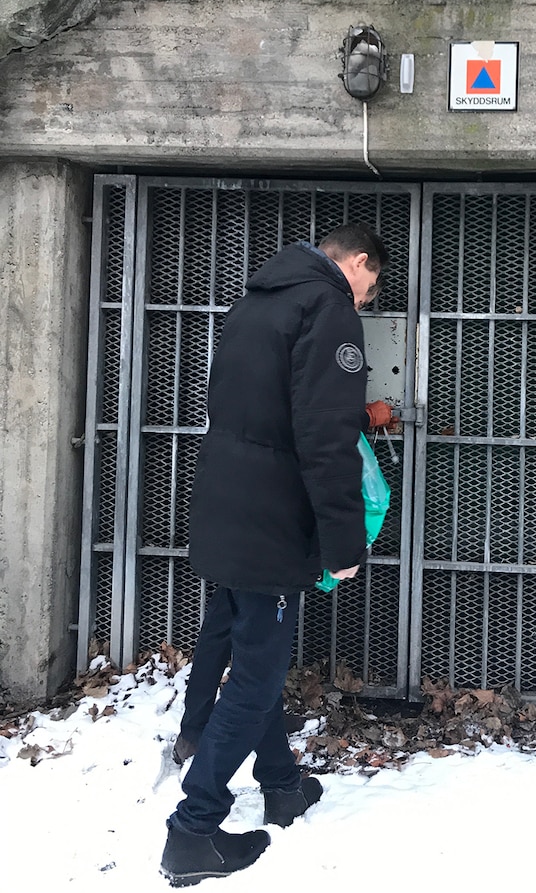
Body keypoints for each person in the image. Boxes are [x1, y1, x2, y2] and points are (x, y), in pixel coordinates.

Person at [159, 223, 389, 887]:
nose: (367, 301)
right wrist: (344, 541)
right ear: (359, 262)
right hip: (270, 519)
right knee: (259, 673)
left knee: (250, 644)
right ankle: (192, 829)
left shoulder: (254, 300)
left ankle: (282, 784)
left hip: (228, 505)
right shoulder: (329, 308)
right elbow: (326, 436)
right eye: (371, 288)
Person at [171, 400, 394, 766]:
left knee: (227, 624)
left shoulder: (245, 359)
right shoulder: (289, 354)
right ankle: (208, 765)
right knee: (255, 638)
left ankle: (206, 729)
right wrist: (363, 417)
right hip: (268, 519)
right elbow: (303, 413)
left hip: (237, 500)